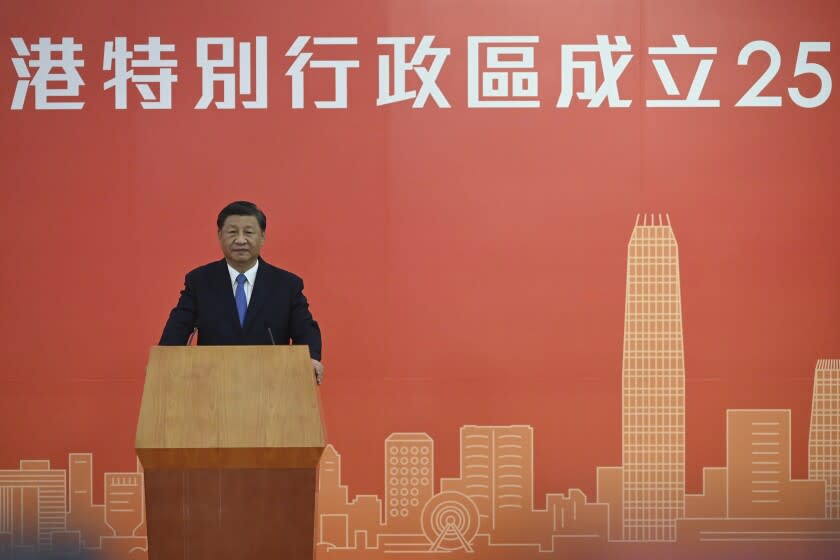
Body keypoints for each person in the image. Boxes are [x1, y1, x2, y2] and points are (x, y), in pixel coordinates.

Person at [159, 201, 324, 384]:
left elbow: (305, 328)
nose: (240, 240)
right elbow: (178, 326)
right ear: (220, 236)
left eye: (248, 232)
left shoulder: (286, 285)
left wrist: (311, 358)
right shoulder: (200, 281)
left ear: (262, 237)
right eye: (232, 232)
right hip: (212, 385)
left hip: (272, 386)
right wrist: (163, 361)